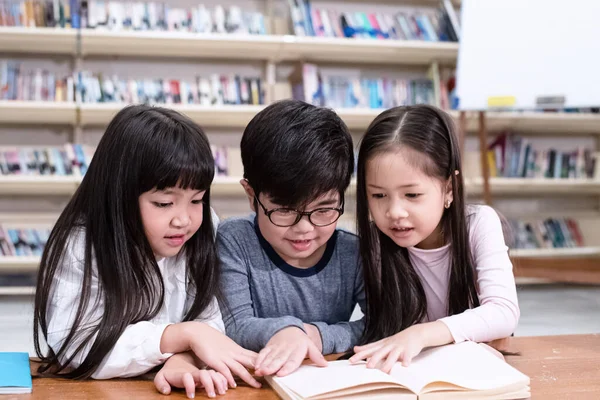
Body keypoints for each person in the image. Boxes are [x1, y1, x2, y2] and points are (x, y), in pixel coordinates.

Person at [33, 105, 260, 398]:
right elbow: (77, 344)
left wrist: (183, 358)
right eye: (164, 204)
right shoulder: (82, 244)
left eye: (197, 200)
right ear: (119, 195)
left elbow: (209, 318)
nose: (184, 220)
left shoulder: (202, 230)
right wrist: (182, 335)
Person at [350, 104, 519, 373]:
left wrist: (421, 334)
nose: (394, 212)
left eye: (412, 195)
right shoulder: (375, 242)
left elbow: (503, 312)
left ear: (449, 188)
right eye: (378, 195)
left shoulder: (478, 223)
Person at [219, 99, 365, 377]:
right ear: (252, 196)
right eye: (285, 211)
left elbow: (381, 325)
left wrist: (314, 335)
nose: (305, 228)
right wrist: (285, 331)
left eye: (323, 209)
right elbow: (233, 326)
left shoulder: (352, 251)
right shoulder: (235, 241)